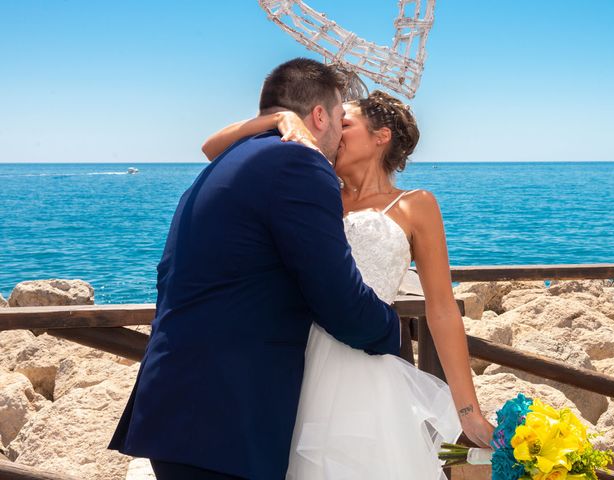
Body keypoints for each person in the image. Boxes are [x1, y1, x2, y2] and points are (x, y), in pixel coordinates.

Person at [108, 58, 402, 480]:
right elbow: (336, 295)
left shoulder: (229, 161)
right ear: (319, 116)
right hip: (226, 417)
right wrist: (392, 336)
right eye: (340, 116)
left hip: (183, 406)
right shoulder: (300, 164)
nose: (340, 132)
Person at [202, 89, 495, 479]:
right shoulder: (313, 190)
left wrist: (468, 411)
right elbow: (212, 148)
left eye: (345, 124)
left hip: (366, 375)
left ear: (381, 136)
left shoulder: (415, 204)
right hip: (292, 362)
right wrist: (278, 121)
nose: (331, 132)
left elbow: (440, 308)